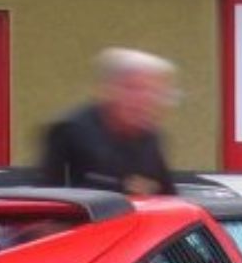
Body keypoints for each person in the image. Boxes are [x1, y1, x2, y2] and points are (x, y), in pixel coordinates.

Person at [40, 48, 179, 196]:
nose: (143, 99)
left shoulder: (151, 139)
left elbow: (168, 198)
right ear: (109, 89)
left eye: (153, 91)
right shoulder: (69, 131)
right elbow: (48, 202)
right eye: (134, 88)